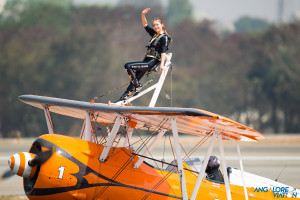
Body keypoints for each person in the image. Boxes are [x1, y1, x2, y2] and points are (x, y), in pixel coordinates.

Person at [118, 8, 172, 101]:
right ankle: (123, 98)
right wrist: (143, 15)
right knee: (134, 80)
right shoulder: (155, 35)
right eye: (154, 25)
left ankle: (137, 86)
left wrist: (162, 65)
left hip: (151, 62)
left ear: (162, 25)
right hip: (146, 60)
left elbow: (163, 52)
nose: (155, 27)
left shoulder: (165, 38)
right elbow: (145, 25)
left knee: (128, 66)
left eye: (157, 25)